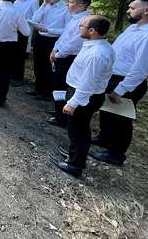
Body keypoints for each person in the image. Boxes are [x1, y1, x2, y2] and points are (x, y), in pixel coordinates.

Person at [90, 0, 148, 166]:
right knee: (107, 112)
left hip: (127, 82)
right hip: (114, 76)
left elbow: (140, 68)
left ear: (146, 10)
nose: (128, 10)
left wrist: (121, 89)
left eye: (132, 8)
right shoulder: (134, 28)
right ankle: (104, 139)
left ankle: (116, 154)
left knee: (121, 119)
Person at [51, 15, 115, 178]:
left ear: (92, 31)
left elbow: (87, 83)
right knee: (77, 130)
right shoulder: (94, 45)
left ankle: (75, 165)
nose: (78, 28)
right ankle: (75, 155)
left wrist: (73, 102)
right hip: (82, 92)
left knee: (78, 131)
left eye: (81, 26)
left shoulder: (97, 54)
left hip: (84, 96)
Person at [48, 0, 91, 127]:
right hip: (61, 54)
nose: (68, 4)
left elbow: (74, 43)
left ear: (81, 5)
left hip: (70, 57)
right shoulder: (73, 17)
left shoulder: (84, 21)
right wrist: (55, 49)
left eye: (71, 2)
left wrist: (58, 54)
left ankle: (63, 117)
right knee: (57, 86)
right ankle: (58, 110)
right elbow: (64, 36)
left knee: (63, 86)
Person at [27, 0, 71, 100]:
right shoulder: (46, 5)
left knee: (49, 67)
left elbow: (67, 30)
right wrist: (43, 5)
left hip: (53, 40)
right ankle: (38, 89)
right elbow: (35, 19)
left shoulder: (66, 8)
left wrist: (48, 29)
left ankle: (47, 92)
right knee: (38, 64)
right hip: (40, 38)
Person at [12, 0, 40, 84]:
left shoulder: (32, 2)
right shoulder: (16, 2)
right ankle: (12, 74)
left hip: (24, 31)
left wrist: (25, 20)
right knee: (14, 54)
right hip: (14, 31)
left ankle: (19, 78)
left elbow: (36, 18)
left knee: (20, 55)